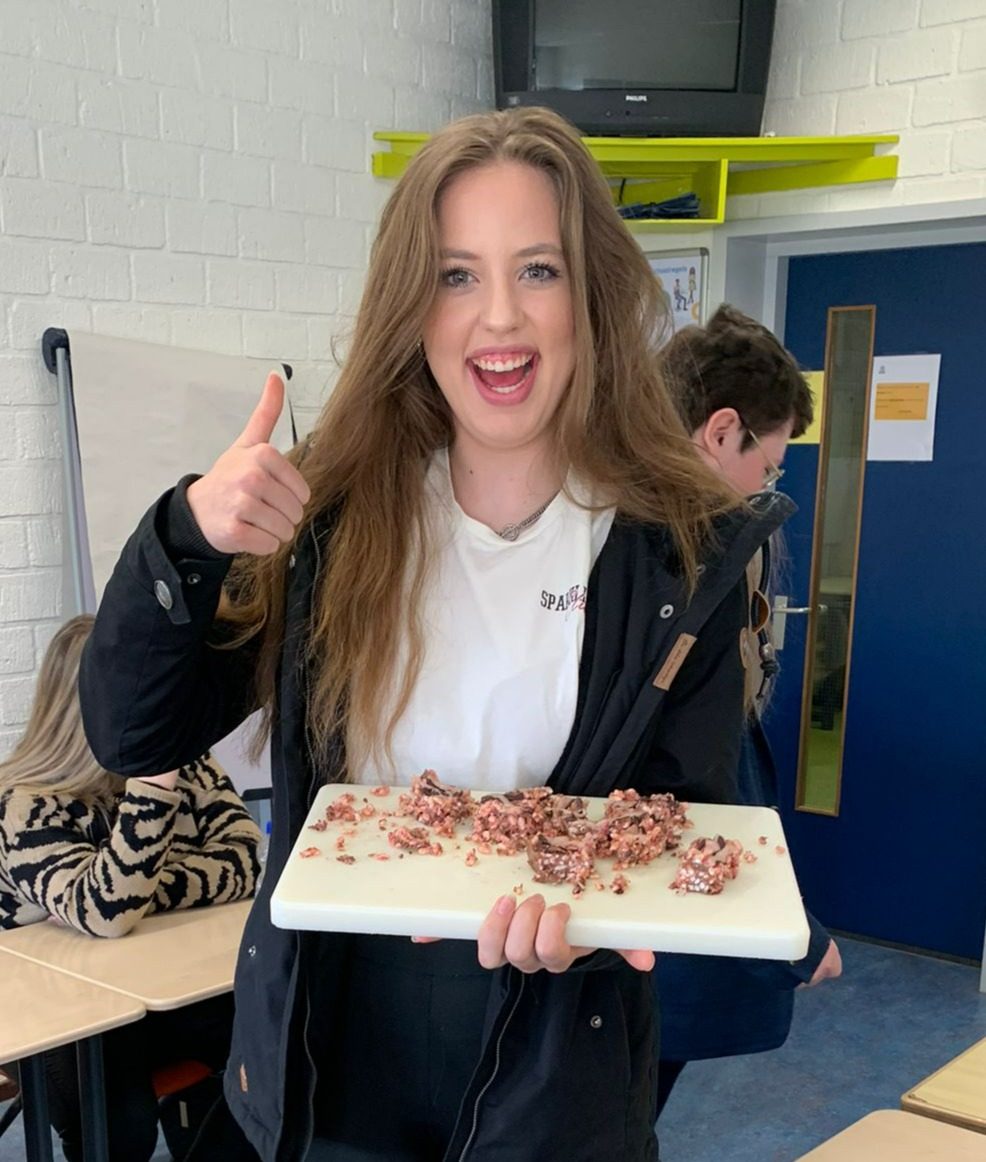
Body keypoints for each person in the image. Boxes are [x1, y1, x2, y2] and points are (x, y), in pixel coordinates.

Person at [79, 108, 795, 1162]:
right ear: (411, 306)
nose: (498, 316)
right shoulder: (331, 518)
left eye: (538, 270)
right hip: (330, 1042)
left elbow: (677, 819)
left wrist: (592, 920)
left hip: (556, 1053)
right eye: (457, 275)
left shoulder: (679, 555)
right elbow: (134, 732)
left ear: (591, 296)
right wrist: (188, 537)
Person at [652, 304, 843, 1118]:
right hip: (654, 903)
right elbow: (696, 774)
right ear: (721, 432)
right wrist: (794, 928)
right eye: (770, 466)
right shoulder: (678, 566)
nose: (768, 488)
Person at [0, 614, 261, 1162]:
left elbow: (246, 859)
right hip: (53, 1015)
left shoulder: (187, 761)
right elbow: (108, 911)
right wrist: (153, 783)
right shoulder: (23, 805)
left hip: (155, 983)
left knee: (260, 1052)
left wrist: (141, 894)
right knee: (119, 1123)